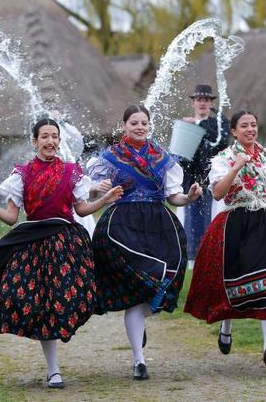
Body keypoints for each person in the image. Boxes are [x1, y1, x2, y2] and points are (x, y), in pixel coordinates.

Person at [0, 118, 122, 389]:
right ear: (35, 141)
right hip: (33, 245)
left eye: (54, 136)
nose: (50, 141)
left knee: (75, 296)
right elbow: (11, 218)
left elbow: (81, 210)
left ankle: (61, 336)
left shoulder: (72, 172)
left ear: (59, 141)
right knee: (37, 303)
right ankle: (53, 370)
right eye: (45, 136)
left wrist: (103, 201)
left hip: (65, 243)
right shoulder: (21, 174)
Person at [183, 110, 266, 367]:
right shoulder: (224, 158)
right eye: (244, 126)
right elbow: (219, 193)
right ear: (234, 131)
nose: (250, 129)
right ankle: (226, 325)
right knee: (232, 280)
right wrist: (236, 166)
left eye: (253, 125)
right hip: (236, 221)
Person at [87, 104, 202, 380]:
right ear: (124, 126)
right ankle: (139, 360)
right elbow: (89, 190)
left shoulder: (163, 157)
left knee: (168, 273)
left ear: (150, 125)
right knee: (144, 281)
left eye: (144, 123)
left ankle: (140, 321)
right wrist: (98, 188)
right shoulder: (110, 157)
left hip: (158, 223)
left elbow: (174, 196)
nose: (139, 127)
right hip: (123, 224)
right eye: (134, 123)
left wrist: (189, 198)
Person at [175, 84, 230, 262]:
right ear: (193, 102)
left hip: (212, 179)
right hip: (191, 180)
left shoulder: (216, 125)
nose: (202, 103)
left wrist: (200, 124)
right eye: (199, 100)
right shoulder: (185, 126)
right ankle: (191, 256)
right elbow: (180, 156)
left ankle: (209, 255)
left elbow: (222, 139)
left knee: (211, 216)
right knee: (190, 218)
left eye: (206, 100)